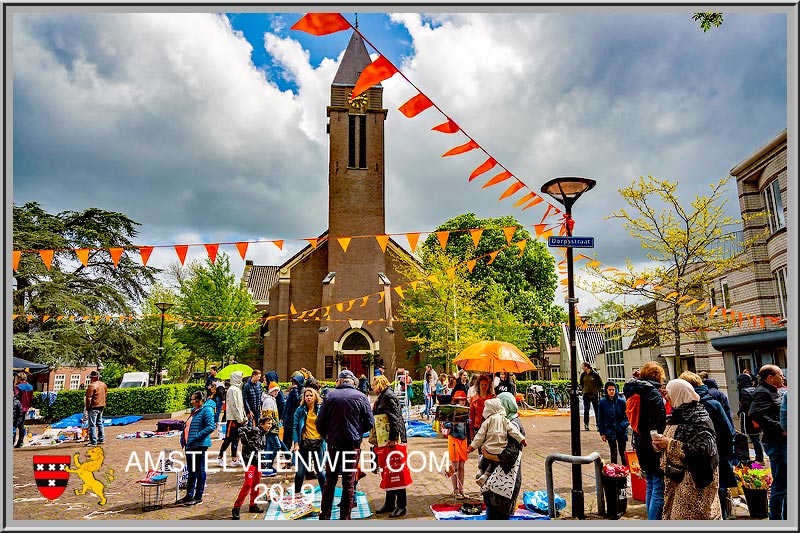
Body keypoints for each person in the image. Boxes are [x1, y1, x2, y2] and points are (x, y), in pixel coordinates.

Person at [652, 379, 721, 520]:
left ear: (679, 395)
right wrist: (660, 446)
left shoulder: (698, 418)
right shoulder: (678, 414)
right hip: (678, 481)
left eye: (669, 394)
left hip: (694, 485)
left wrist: (669, 444)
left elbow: (705, 450)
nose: (667, 398)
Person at [315, 370, 374, 520]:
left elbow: (319, 422)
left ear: (340, 381)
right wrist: (357, 432)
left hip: (334, 445)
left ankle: (325, 515)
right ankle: (345, 517)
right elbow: (370, 422)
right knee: (348, 481)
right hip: (352, 445)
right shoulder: (361, 397)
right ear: (352, 381)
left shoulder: (329, 396)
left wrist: (327, 436)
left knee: (330, 481)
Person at [680, 371, 736, 518]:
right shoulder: (713, 403)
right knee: (719, 488)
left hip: (695, 457)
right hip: (718, 453)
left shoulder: (682, 406)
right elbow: (728, 431)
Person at [623, 361, 666, 520]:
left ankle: (650, 518)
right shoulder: (652, 393)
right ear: (656, 375)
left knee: (650, 483)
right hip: (652, 443)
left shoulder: (635, 391)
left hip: (640, 440)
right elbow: (658, 422)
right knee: (658, 486)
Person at [480, 392, 527, 520]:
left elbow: (509, 457)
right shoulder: (504, 421)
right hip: (497, 482)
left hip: (504, 483)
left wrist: (488, 455)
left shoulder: (513, 425)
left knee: (498, 517)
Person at [748, 364, 787, 520]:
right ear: (770, 378)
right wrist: (781, 427)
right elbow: (755, 413)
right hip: (776, 443)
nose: (783, 377)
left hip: (781, 442)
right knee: (781, 484)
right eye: (780, 375)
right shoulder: (762, 392)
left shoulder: (774, 391)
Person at [372, 374, 409, 518]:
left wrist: (394, 438)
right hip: (385, 440)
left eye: (374, 385)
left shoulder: (388, 396)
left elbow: (395, 418)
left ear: (380, 384)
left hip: (392, 440)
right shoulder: (384, 396)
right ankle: (389, 502)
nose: (373, 388)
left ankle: (401, 505)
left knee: (397, 472)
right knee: (388, 471)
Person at [467, 397, 526, 486]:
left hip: (488, 448)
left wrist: (472, 447)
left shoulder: (487, 421)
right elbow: (514, 431)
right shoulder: (505, 420)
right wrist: (522, 439)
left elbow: (480, 436)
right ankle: (486, 474)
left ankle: (480, 470)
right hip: (500, 449)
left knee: (485, 458)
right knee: (493, 463)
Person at [178, 391, 215, 506]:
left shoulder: (206, 410)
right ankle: (189, 495)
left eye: (194, 399)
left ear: (200, 400)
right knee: (191, 470)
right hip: (190, 445)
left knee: (199, 470)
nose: (192, 401)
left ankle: (198, 496)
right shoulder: (194, 411)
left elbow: (210, 427)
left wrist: (196, 436)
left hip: (198, 445)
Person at [231, 415, 272, 519]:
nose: (270, 426)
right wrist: (247, 443)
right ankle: (236, 507)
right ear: (261, 424)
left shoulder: (264, 434)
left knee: (256, 483)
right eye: (268, 423)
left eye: (271, 424)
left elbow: (260, 449)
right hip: (249, 461)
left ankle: (253, 504)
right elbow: (241, 430)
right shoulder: (255, 430)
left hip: (257, 462)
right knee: (248, 484)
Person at [291, 388, 327, 494]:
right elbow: (295, 426)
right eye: (307, 396)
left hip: (318, 442)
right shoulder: (300, 410)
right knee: (300, 472)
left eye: (311, 395)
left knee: (320, 471)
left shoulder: (321, 409)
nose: (309, 397)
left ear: (315, 396)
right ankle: (297, 493)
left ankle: (325, 495)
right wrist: (296, 443)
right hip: (304, 443)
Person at [443, 390, 469, 499]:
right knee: (455, 466)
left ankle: (461, 489)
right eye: (460, 400)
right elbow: (445, 424)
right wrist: (453, 423)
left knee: (462, 466)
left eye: (463, 401)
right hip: (454, 438)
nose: (462, 403)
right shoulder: (451, 411)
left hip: (464, 439)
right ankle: (455, 489)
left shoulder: (467, 411)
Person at [597, 381, 629, 466]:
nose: (611, 391)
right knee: (613, 452)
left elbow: (627, 417)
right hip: (609, 431)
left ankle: (626, 469)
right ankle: (614, 469)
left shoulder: (622, 402)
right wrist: (602, 432)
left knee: (623, 452)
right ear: (606, 391)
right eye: (609, 390)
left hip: (621, 431)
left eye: (613, 389)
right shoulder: (603, 402)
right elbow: (600, 418)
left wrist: (621, 426)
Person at [218, 371, 246, 466]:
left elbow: (240, 406)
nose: (241, 379)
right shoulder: (233, 390)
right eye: (240, 377)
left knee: (236, 439)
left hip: (237, 418)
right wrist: (240, 418)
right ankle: (220, 457)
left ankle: (234, 459)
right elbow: (234, 406)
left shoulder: (237, 389)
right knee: (229, 438)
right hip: (232, 419)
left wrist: (243, 416)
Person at [736, 372, 764, 463]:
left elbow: (745, 406)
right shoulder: (755, 389)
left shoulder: (744, 391)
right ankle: (760, 457)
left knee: (748, 437)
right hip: (756, 417)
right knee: (756, 438)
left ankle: (754, 458)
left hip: (748, 418)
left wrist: (740, 409)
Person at [262, 382, 285, 473]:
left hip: (272, 428)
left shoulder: (271, 400)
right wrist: (272, 425)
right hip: (271, 429)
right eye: (275, 390)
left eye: (277, 391)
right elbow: (268, 417)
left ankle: (268, 466)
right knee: (277, 445)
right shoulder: (269, 401)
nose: (277, 392)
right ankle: (268, 465)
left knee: (269, 447)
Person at [468, 374, 494, 442]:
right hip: (477, 428)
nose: (483, 387)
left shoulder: (493, 398)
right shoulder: (473, 399)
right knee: (480, 450)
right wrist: (471, 433)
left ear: (489, 386)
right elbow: (471, 417)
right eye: (482, 385)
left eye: (486, 385)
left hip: (490, 429)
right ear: (478, 386)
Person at [84, 370, 107, 447]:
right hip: (101, 405)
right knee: (100, 422)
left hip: (94, 406)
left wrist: (87, 407)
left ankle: (93, 441)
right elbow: (105, 394)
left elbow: (88, 398)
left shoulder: (91, 386)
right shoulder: (103, 384)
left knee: (92, 424)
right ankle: (101, 439)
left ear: (93, 378)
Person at [282, 373, 305, 449]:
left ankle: (289, 450)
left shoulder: (302, 391)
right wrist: (283, 416)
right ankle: (285, 450)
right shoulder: (292, 391)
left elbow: (298, 401)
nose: (294, 384)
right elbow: (287, 405)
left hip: (294, 417)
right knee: (286, 435)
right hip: (288, 417)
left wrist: (295, 390)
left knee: (292, 435)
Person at [580, 362, 603, 431]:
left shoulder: (595, 374)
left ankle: (598, 425)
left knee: (597, 410)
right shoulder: (583, 375)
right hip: (586, 394)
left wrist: (597, 390)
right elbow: (581, 383)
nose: (582, 368)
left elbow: (600, 384)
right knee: (586, 410)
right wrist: (583, 390)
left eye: (583, 366)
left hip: (594, 395)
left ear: (587, 367)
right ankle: (586, 424)